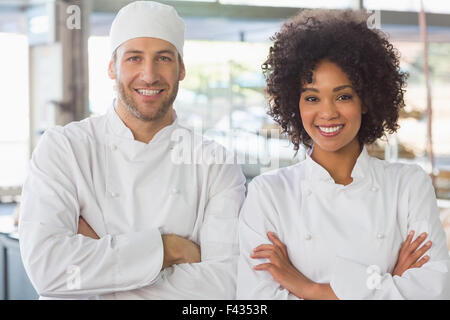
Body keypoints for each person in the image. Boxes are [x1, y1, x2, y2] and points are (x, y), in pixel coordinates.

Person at [19, 1, 246, 299]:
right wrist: (169, 249)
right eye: (134, 58)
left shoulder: (216, 164)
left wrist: (99, 271)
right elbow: (48, 270)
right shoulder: (64, 148)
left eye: (163, 58)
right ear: (112, 68)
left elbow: (224, 286)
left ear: (181, 70)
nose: (149, 75)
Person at [237, 9, 450, 299]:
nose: (327, 113)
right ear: (294, 105)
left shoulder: (409, 185)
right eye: (312, 98)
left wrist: (307, 288)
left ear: (366, 100)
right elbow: (256, 300)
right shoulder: (269, 194)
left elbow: (433, 292)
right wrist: (391, 283)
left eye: (343, 96)